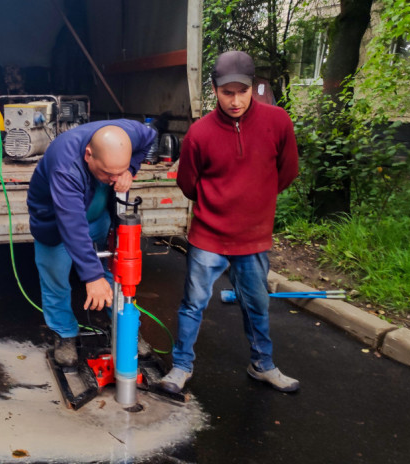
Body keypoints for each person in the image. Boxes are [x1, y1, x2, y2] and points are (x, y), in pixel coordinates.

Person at [160, 51, 300, 393]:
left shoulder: (278, 121)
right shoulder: (199, 134)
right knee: (193, 304)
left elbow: (288, 171)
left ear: (254, 87)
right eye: (227, 93)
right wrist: (217, 204)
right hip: (209, 234)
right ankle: (181, 367)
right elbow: (187, 182)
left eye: (242, 91)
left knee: (256, 303)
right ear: (214, 89)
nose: (235, 101)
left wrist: (257, 201)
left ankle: (262, 365)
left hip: (253, 236)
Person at [27, 120, 157, 366]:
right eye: (109, 173)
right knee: (56, 278)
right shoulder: (65, 165)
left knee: (114, 271)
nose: (114, 180)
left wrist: (131, 169)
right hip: (56, 223)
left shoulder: (132, 132)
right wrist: (91, 276)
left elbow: (150, 137)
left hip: (97, 215)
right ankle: (64, 333)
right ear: (88, 155)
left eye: (119, 172)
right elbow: (72, 224)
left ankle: (125, 329)